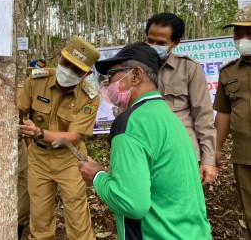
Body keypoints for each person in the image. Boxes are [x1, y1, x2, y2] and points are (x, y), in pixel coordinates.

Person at [78, 42, 212, 239]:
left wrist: (97, 176)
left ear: (136, 75)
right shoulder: (167, 115)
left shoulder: (130, 122)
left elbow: (132, 204)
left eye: (112, 75)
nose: (108, 83)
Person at [17, 35, 100, 240]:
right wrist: (25, 134)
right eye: (67, 63)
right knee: (40, 215)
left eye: (77, 69)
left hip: (70, 159)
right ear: (59, 56)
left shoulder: (90, 97)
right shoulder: (37, 80)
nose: (70, 71)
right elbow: (19, 109)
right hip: (38, 157)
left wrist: (39, 133)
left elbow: (74, 136)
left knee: (77, 215)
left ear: (87, 73)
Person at [145, 12, 217, 185]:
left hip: (182, 153)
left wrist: (208, 159)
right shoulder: (134, 69)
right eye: (150, 41)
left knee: (184, 206)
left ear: (175, 43)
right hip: (145, 153)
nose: (153, 46)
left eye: (161, 43)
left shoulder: (189, 68)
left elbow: (204, 117)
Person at [214, 5, 251, 239]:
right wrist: (216, 148)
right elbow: (224, 113)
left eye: (249, 33)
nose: (243, 39)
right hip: (245, 157)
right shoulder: (228, 72)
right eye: (238, 33)